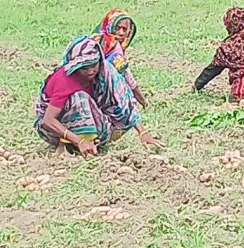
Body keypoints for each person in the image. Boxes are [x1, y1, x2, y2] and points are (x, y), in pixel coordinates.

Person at [36, 9, 156, 154]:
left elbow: (122, 99)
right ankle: (68, 145)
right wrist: (78, 140)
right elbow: (48, 121)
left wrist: (142, 132)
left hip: (95, 125)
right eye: (84, 68)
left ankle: (90, 142)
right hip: (55, 130)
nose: (91, 71)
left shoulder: (105, 72)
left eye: (94, 65)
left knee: (99, 103)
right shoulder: (64, 79)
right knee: (79, 98)